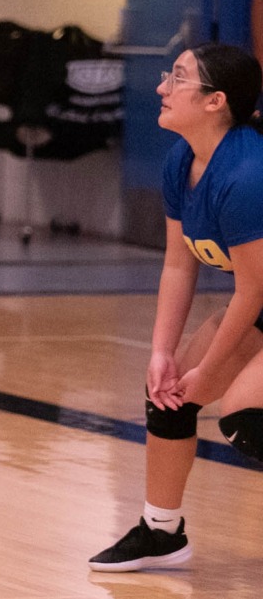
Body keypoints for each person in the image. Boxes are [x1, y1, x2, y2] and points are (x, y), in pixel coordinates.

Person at [88, 43, 263, 572]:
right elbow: (178, 266)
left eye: (178, 77)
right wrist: (161, 352)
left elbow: (252, 291)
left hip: (258, 294)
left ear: (215, 101)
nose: (161, 87)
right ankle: (160, 532)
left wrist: (209, 370)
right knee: (168, 394)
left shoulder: (247, 174)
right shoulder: (182, 160)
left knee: (246, 415)